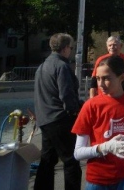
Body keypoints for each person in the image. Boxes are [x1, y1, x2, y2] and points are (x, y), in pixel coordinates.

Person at [72, 55, 124, 189]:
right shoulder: (91, 105)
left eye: (106, 78)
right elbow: (78, 153)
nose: (100, 84)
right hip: (98, 178)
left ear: (122, 77)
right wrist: (104, 147)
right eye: (98, 79)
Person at [33, 33, 82, 190]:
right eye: (71, 48)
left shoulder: (42, 67)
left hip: (45, 119)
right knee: (71, 161)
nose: (71, 51)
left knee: (47, 161)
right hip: (60, 119)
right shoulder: (61, 66)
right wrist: (76, 111)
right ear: (65, 48)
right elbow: (66, 95)